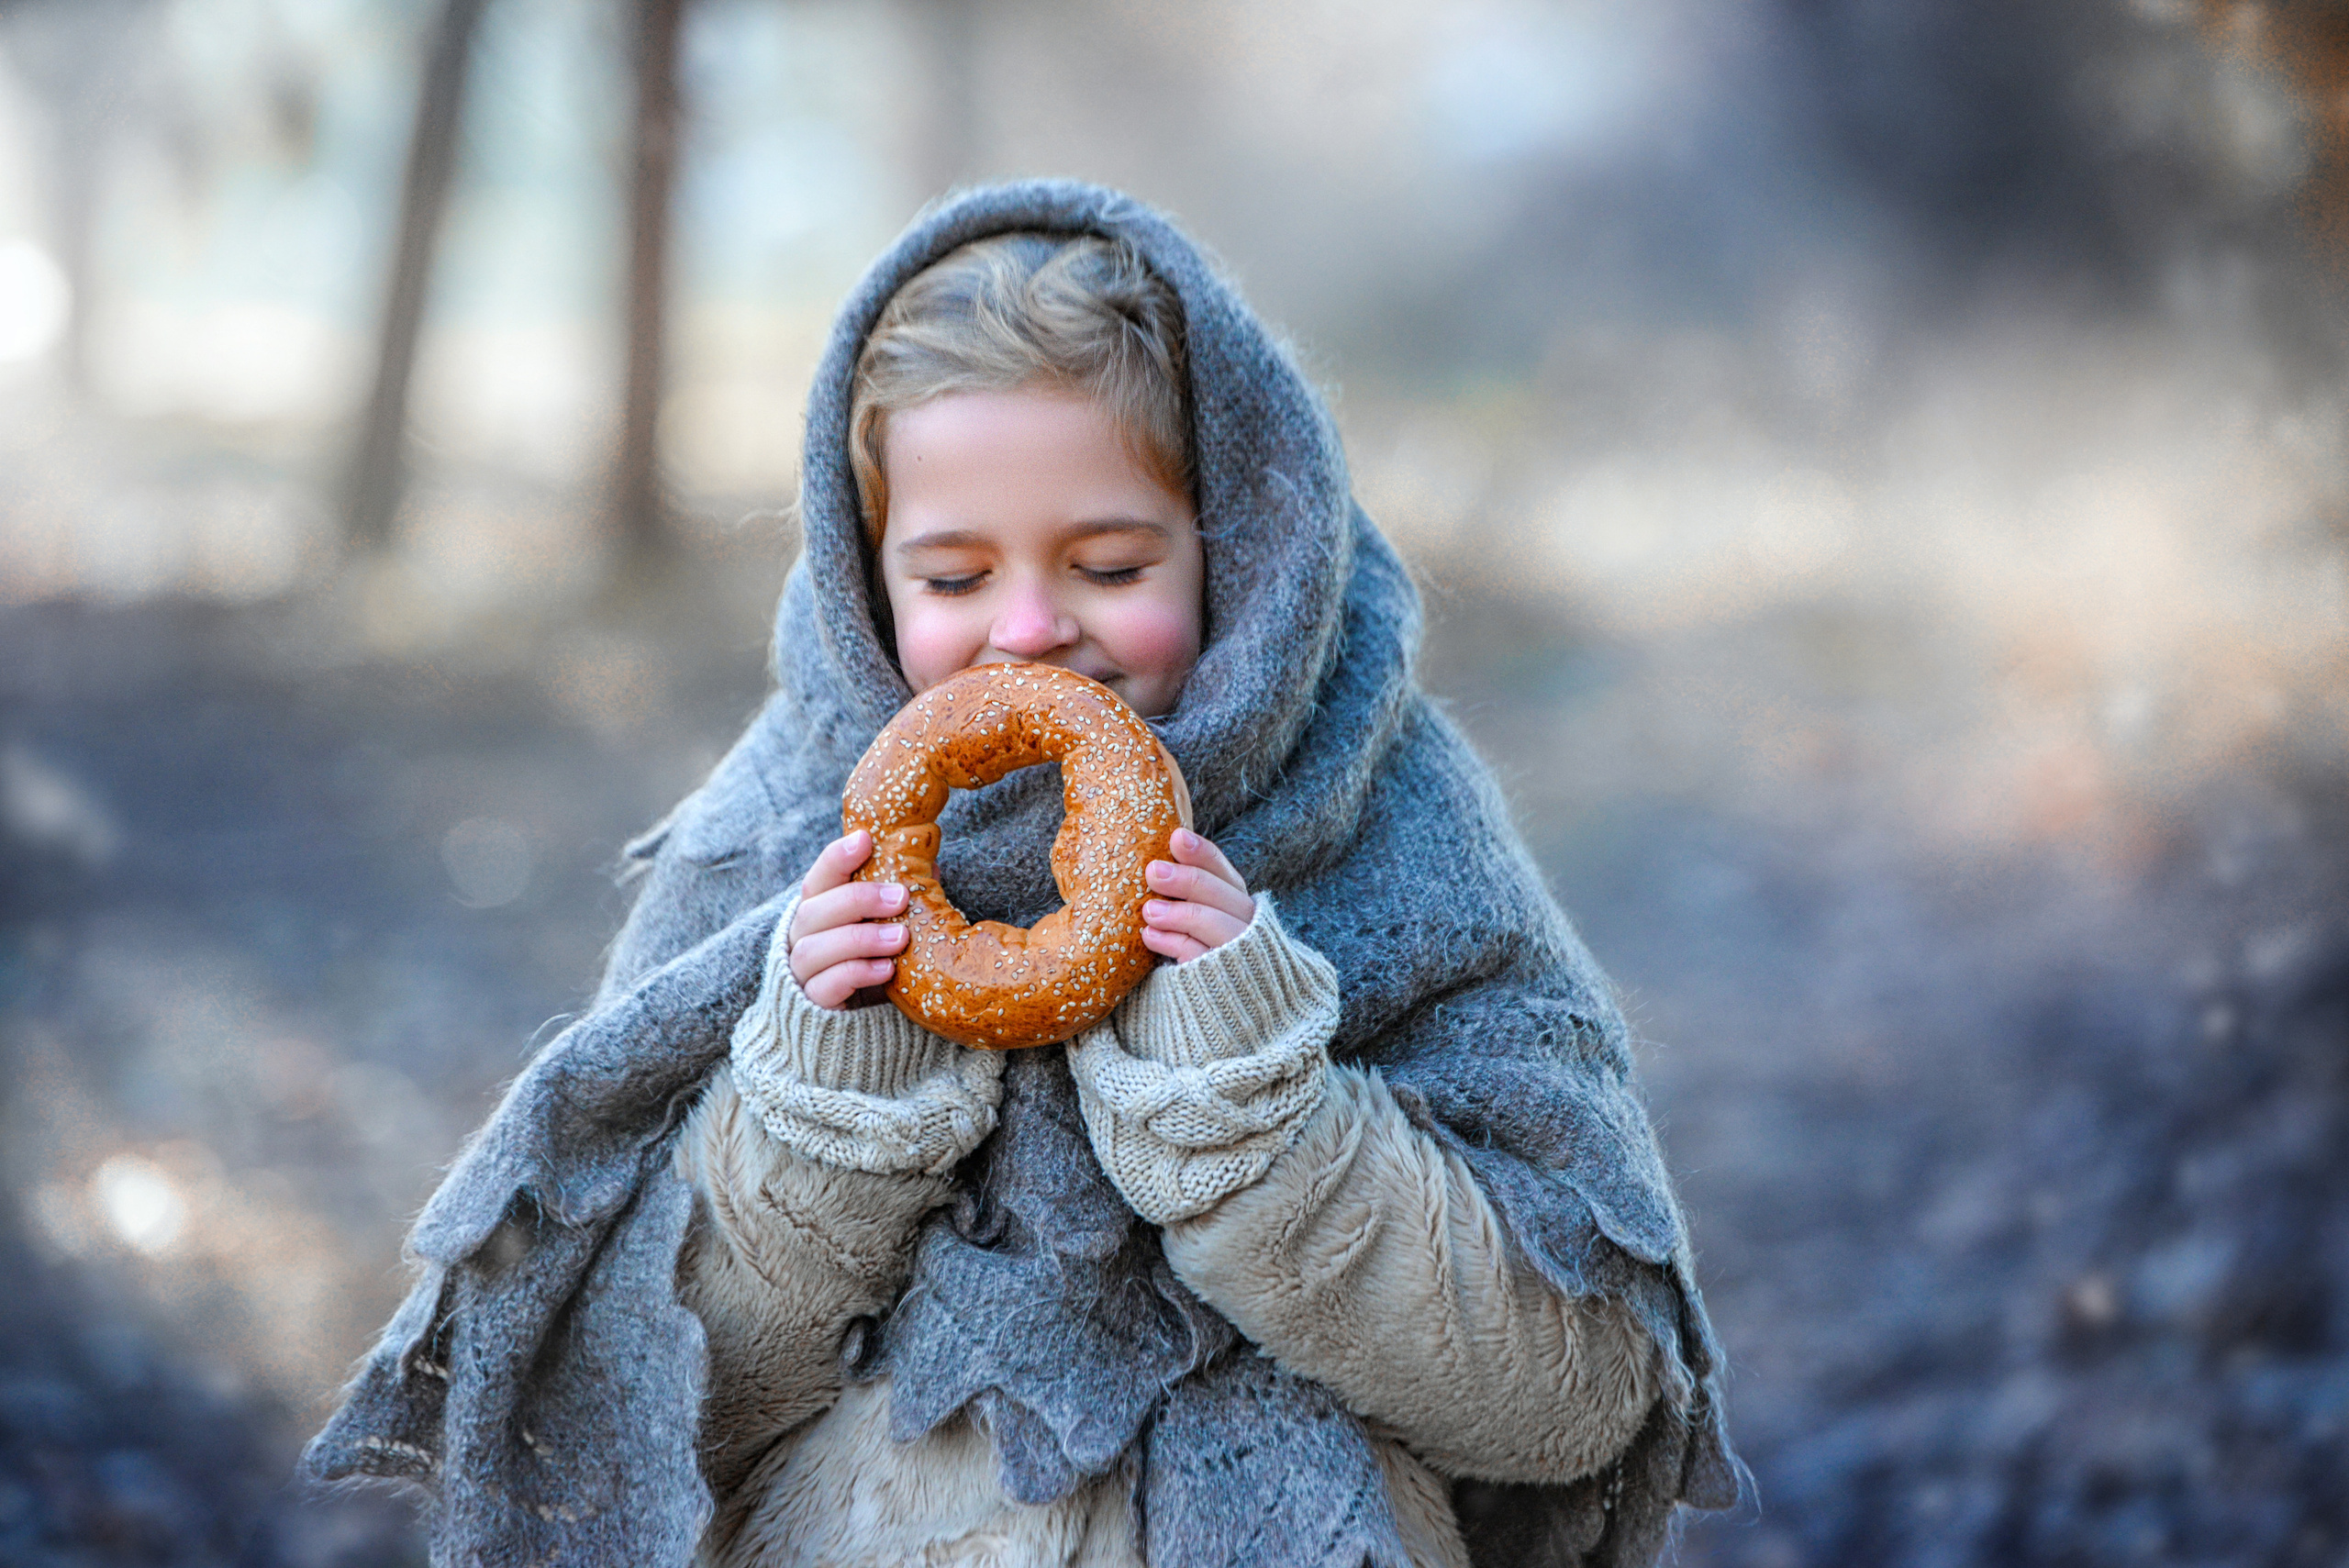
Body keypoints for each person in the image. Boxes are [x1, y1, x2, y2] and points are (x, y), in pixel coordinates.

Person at [306, 181, 1742, 1568]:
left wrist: (1261, 1106)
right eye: (953, 579)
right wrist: (820, 1098)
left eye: (1111, 565)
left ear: (1237, 548)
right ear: (865, 577)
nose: (1033, 628)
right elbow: (642, 1428)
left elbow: (1578, 1398)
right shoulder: (776, 847)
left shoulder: (1395, 822)